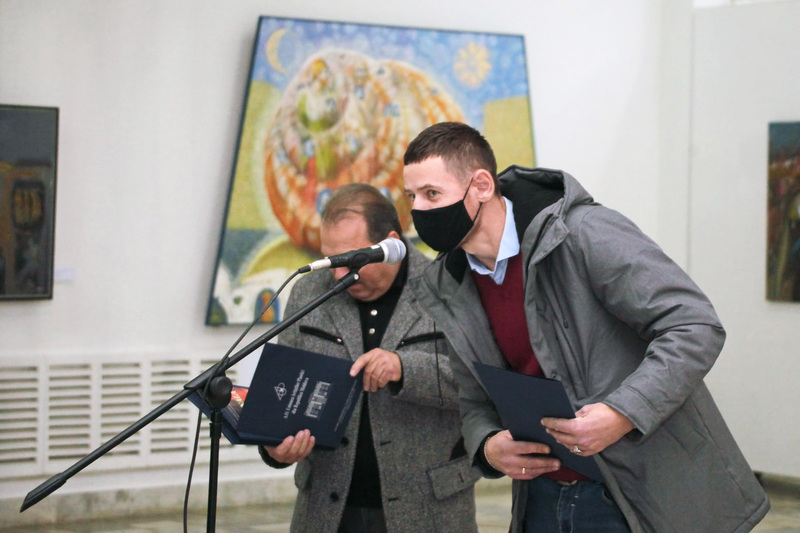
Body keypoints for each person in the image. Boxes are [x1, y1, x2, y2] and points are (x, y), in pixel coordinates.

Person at [402, 121, 770, 532]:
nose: (419, 211)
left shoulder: (583, 233)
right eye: (411, 197)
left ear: (482, 186)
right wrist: (487, 446)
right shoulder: (450, 284)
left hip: (637, 492)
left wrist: (622, 412)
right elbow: (474, 400)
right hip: (540, 498)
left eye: (432, 194)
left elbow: (694, 324)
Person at [259, 183, 480, 533]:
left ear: (390, 245)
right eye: (331, 259)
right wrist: (274, 447)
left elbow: (478, 384)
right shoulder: (309, 291)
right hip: (327, 509)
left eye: (351, 260)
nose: (338, 274)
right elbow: (282, 390)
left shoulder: (449, 288)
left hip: (429, 509)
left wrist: (405, 369)